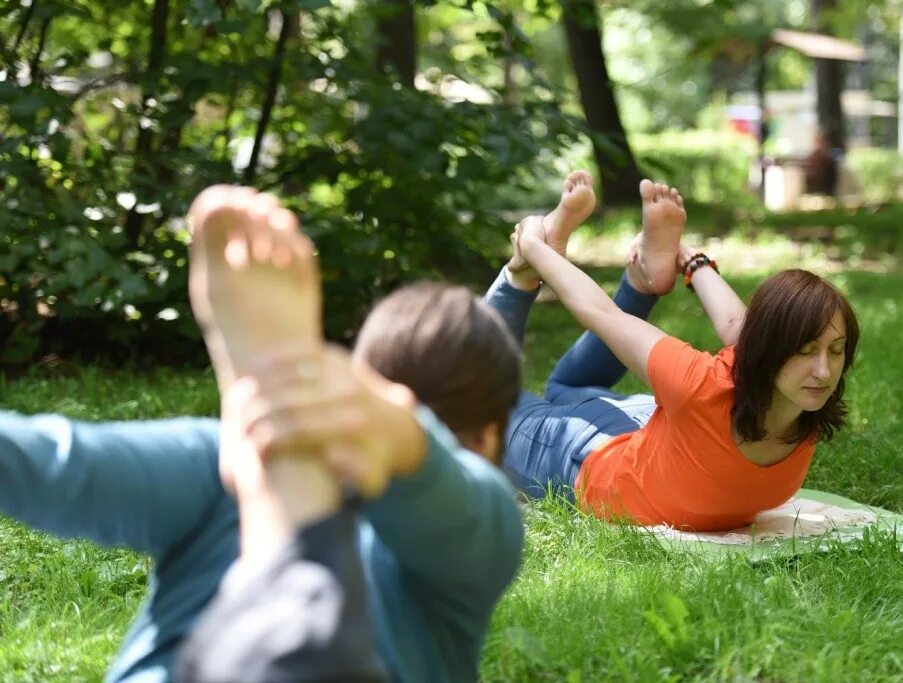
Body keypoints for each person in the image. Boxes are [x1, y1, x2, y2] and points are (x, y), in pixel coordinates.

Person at [0, 185, 524, 682]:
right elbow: (461, 505)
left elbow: (53, 465)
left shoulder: (229, 456)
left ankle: (294, 489)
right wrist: (398, 438)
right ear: (488, 440)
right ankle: (298, 504)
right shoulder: (472, 555)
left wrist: (380, 430)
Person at [485, 172, 860, 531]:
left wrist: (693, 261)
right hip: (580, 457)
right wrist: (532, 249)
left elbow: (735, 324)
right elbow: (600, 314)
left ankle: (641, 281)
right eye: (806, 351)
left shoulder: (804, 404)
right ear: (769, 349)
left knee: (565, 388)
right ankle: (523, 273)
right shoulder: (699, 386)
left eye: (837, 350)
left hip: (654, 433)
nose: (825, 372)